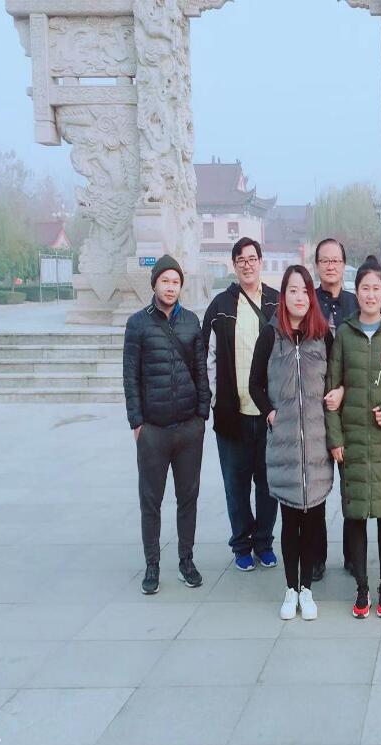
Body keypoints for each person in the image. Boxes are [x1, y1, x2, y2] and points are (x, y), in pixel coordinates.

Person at [326, 261, 381, 618]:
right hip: (353, 441)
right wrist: (335, 439)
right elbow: (331, 390)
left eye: (377, 288)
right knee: (356, 516)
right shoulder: (344, 334)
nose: (371, 294)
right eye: (365, 288)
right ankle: (362, 587)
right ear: (357, 291)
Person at [249, 265, 335, 621]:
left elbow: (336, 380)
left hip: (316, 445)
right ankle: (290, 588)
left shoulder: (322, 337)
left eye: (304, 291)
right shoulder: (271, 335)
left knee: (313, 520)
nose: (299, 297)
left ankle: (307, 589)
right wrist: (270, 412)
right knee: (289, 521)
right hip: (284, 445)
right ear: (283, 296)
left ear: (312, 296)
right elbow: (254, 384)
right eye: (292, 291)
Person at [122, 254, 211, 595]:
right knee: (151, 501)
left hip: (189, 428)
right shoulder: (137, 324)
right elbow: (130, 377)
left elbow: (201, 371)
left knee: (188, 497)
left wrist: (201, 416)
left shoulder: (191, 321)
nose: (170, 287)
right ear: (155, 284)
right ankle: (152, 565)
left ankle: (186, 561)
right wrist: (137, 423)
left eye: (175, 282)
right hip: (153, 431)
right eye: (165, 281)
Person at [202, 237, 280, 573]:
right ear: (234, 265)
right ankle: (241, 544)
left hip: (268, 414)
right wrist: (216, 399)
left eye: (252, 258)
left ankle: (264, 542)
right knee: (235, 485)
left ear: (261, 262)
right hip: (232, 413)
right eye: (241, 260)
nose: (247, 265)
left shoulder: (276, 302)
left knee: (268, 485)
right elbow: (207, 356)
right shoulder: (221, 305)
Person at [311, 238, 359, 581]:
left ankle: (353, 555)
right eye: (324, 261)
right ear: (317, 266)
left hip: (350, 406)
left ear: (344, 264)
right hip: (315, 408)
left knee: (351, 487)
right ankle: (316, 557)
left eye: (336, 261)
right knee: (316, 488)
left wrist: (346, 389)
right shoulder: (307, 302)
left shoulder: (356, 304)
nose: (330, 266)